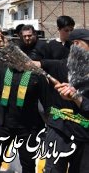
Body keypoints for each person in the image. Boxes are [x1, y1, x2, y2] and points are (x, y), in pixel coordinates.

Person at [38, 28, 89, 173]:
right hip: (60, 131)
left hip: (85, 137)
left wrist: (77, 97)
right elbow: (33, 64)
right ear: (77, 44)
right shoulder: (59, 66)